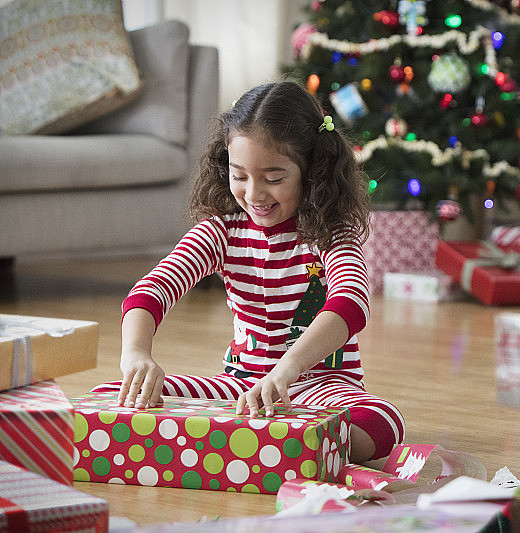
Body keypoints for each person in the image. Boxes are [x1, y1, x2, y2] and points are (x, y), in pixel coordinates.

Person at [92, 81, 405, 463]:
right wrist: (136, 354)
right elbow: (153, 289)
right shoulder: (221, 229)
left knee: (380, 423)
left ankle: (243, 443)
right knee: (109, 396)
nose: (254, 194)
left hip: (319, 386)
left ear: (312, 171)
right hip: (238, 385)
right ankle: (273, 444)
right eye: (239, 176)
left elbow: (351, 302)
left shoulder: (330, 234)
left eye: (274, 179)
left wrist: (286, 371)